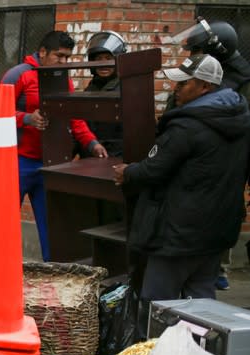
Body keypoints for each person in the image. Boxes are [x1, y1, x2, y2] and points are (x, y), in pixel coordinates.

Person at [113, 54, 250, 303]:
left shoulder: (186, 126)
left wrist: (128, 172)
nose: (175, 89)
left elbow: (154, 170)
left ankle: (159, 343)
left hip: (178, 234)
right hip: (217, 231)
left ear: (205, 87)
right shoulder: (241, 120)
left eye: (183, 83)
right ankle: (197, 343)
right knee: (201, 302)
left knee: (157, 304)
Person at [1, 30, 108, 262]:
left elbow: (74, 117)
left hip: (50, 164)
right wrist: (28, 118)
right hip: (17, 161)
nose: (63, 62)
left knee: (52, 227)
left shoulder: (63, 78)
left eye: (67, 57)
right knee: (5, 224)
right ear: (42, 52)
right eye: (59, 56)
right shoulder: (18, 74)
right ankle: (0, 270)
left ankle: (53, 275)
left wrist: (92, 143)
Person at [173, 18, 250, 290]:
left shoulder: (239, 83)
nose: (191, 57)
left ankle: (216, 268)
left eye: (195, 51)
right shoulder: (203, 76)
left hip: (222, 167)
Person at [80, 31, 127, 157]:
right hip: (91, 154)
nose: (103, 63)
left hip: (116, 157)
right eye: (99, 59)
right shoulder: (91, 88)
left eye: (108, 58)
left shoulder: (127, 88)